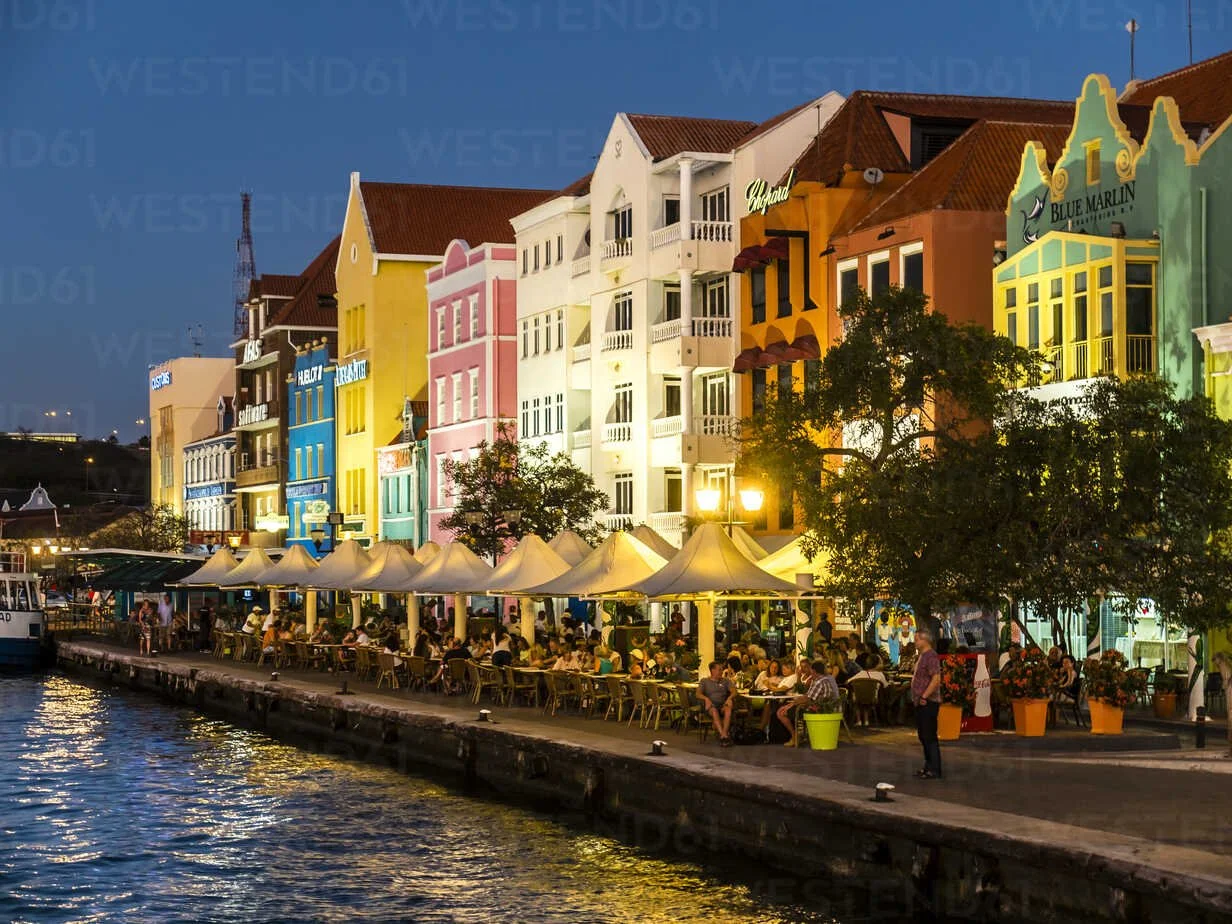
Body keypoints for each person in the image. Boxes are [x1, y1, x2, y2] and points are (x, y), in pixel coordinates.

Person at [911, 629, 943, 779]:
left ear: (925, 640)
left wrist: (925, 695)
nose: (915, 642)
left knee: (929, 735)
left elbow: (936, 678)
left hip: (928, 701)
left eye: (917, 639)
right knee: (923, 735)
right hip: (920, 701)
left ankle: (934, 768)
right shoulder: (922, 656)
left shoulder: (931, 656)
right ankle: (928, 765)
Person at [697, 661, 736, 746]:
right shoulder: (704, 681)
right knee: (714, 711)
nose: (722, 672)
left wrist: (729, 698)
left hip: (723, 705)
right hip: (711, 706)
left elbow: (734, 691)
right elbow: (698, 694)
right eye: (719, 670)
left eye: (721, 669)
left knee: (728, 709)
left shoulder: (726, 681)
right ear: (712, 670)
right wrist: (706, 699)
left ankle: (723, 735)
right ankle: (724, 735)